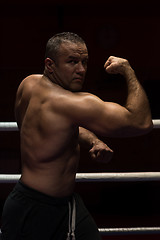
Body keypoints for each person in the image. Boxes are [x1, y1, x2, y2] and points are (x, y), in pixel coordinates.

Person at [1, 32, 153, 240]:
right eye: (72, 62)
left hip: (57, 203)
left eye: (84, 62)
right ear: (50, 64)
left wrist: (93, 140)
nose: (81, 69)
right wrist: (128, 71)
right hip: (36, 210)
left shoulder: (28, 85)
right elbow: (140, 122)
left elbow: (57, 128)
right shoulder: (71, 103)